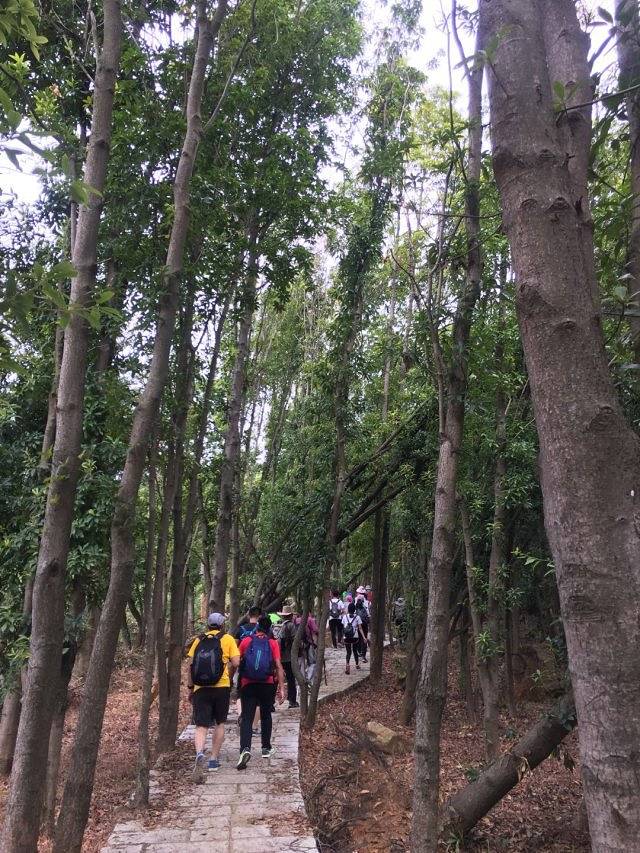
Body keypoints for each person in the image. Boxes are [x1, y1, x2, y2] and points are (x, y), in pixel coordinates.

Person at [187, 612, 240, 782]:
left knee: (201, 725)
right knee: (220, 723)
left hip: (200, 688)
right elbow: (236, 662)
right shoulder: (228, 639)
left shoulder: (198, 640)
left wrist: (190, 688)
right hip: (221, 687)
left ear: (208, 625)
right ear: (222, 625)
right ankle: (213, 759)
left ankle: (199, 753)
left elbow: (190, 665)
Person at [237, 615, 285, 769]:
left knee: (247, 717)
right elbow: (278, 666)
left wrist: (231, 679)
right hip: (267, 684)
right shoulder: (272, 643)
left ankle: (245, 748)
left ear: (257, 627)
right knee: (266, 716)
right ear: (269, 628)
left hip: (247, 684)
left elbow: (237, 662)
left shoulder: (246, 641)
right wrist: (282, 688)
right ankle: (266, 748)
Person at [276, 605, 298, 707]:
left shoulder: (277, 625)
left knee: (275, 679)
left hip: (278, 656)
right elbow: (295, 640)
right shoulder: (291, 626)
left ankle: (271, 703)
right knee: (291, 679)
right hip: (288, 657)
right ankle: (292, 700)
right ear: (291, 615)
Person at [341, 602, 365, 674]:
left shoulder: (344, 617)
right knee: (355, 651)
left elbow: (343, 627)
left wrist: (342, 637)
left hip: (346, 637)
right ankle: (357, 664)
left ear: (348, 609)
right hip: (355, 637)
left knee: (348, 652)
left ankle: (347, 664)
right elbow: (360, 628)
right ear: (354, 609)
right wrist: (364, 637)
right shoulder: (357, 617)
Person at [355, 586, 370, 662]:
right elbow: (368, 614)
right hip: (364, 623)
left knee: (359, 637)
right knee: (364, 637)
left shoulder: (355, 601)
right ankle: (363, 656)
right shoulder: (367, 602)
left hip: (357, 622)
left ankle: (359, 652)